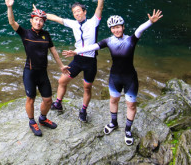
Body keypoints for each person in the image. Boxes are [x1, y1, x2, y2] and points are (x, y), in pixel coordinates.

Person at [64, 9, 163, 146]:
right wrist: (75, 51)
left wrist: (150, 22)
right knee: (113, 100)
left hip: (130, 78)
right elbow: (92, 47)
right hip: (115, 77)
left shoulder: (131, 39)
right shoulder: (108, 41)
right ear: (111, 29)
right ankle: (113, 123)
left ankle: (128, 130)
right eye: (113, 28)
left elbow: (140, 30)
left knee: (131, 104)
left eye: (118, 27)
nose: (116, 30)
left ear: (123, 27)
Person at [35, 0, 110, 123]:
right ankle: (58, 103)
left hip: (90, 61)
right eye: (74, 12)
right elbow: (56, 18)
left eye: (78, 11)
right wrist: (41, 14)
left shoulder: (93, 22)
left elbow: (99, 7)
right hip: (77, 60)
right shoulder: (73, 23)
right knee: (62, 81)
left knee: (87, 87)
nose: (76, 14)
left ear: (84, 12)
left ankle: (83, 110)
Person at [5, 0, 68, 136]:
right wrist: (10, 7)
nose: (38, 22)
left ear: (43, 22)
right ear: (31, 21)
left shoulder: (46, 35)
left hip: (43, 73)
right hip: (30, 72)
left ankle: (43, 119)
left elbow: (53, 52)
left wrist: (61, 66)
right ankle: (32, 121)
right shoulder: (25, 34)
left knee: (48, 100)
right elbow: (12, 22)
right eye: (36, 19)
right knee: (31, 99)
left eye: (41, 20)